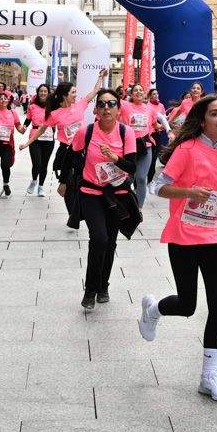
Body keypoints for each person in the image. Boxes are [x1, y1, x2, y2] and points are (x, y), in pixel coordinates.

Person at [138, 95, 217, 403]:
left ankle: (209, 376)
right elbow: (157, 187)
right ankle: (153, 310)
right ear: (202, 119)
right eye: (215, 113)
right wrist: (189, 192)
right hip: (183, 236)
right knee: (188, 304)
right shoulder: (187, 149)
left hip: (215, 236)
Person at [65, 91, 139, 309]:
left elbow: (132, 167)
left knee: (110, 242)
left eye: (112, 104)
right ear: (96, 110)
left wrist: (115, 158)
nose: (107, 108)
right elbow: (71, 156)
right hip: (91, 192)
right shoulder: (86, 132)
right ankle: (90, 290)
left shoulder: (126, 132)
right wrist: (64, 181)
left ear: (118, 109)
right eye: (102, 104)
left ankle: (103, 286)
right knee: (99, 238)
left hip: (117, 195)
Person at [121, 85, 167, 208]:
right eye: (136, 90)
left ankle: (138, 209)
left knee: (141, 178)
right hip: (129, 148)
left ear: (144, 94)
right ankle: (123, 203)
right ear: (131, 94)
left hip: (145, 146)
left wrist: (166, 128)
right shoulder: (125, 106)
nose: (138, 92)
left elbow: (156, 123)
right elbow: (110, 99)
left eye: (141, 90)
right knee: (128, 179)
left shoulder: (150, 109)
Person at [0, 89, 22, 199]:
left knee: (5, 165)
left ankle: (6, 184)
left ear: (8, 101)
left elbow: (18, 125)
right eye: (0, 98)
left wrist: (22, 129)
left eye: (5, 98)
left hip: (7, 144)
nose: (3, 100)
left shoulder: (13, 112)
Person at [22, 83, 55, 197]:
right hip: (34, 137)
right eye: (41, 91)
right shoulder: (32, 106)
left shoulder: (53, 106)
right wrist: (24, 127)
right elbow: (28, 120)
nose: (43, 93)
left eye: (45, 91)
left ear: (48, 93)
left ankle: (41, 186)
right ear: (38, 93)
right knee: (37, 163)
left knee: (44, 164)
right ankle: (34, 181)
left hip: (48, 138)